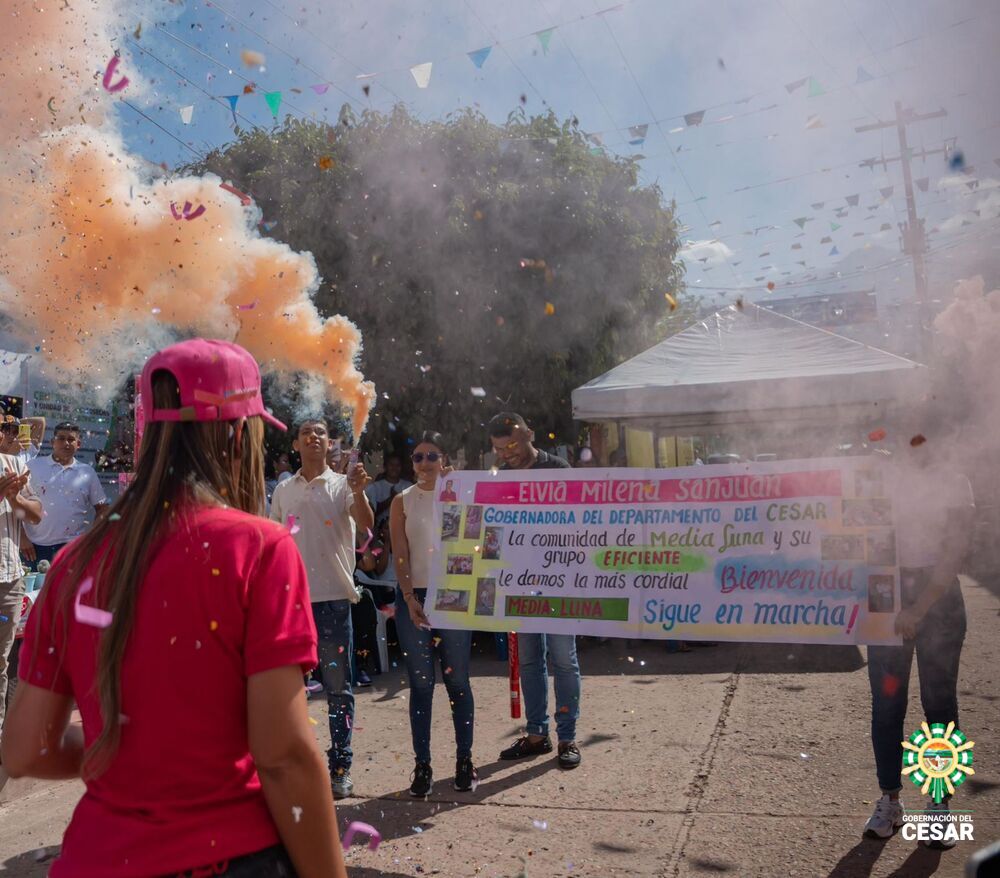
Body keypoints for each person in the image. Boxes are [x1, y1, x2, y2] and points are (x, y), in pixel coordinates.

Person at [1, 338, 347, 877]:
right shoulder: (261, 548)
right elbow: (283, 757)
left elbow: (24, 750)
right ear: (238, 435)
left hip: (95, 860)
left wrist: (125, 740)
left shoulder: (76, 561)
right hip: (226, 859)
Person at [862, 436, 974, 849]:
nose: (914, 445)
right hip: (887, 595)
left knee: (939, 705)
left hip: (938, 599)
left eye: (924, 437)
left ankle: (940, 808)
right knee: (886, 704)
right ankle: (890, 801)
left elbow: (954, 552)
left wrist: (918, 608)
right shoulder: (882, 481)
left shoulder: (955, 482)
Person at [270, 419, 373, 800]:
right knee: (290, 693)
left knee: (338, 692)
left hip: (333, 602)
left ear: (330, 443)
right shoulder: (282, 489)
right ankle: (297, 768)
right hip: (292, 604)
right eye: (306, 433)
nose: (314, 437)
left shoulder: (344, 484)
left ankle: (340, 767)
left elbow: (365, 524)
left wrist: (359, 492)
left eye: (321, 433)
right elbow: (275, 543)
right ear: (296, 443)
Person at [490, 413, 582, 770]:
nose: (507, 453)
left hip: (559, 582)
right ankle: (536, 734)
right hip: (519, 584)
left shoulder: (558, 468)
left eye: (512, 444)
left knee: (563, 659)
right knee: (528, 660)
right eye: (499, 449)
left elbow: (579, 521)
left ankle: (567, 737)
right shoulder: (500, 477)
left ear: (529, 433)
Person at [389, 431, 477, 796]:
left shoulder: (459, 493)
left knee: (457, 682)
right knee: (421, 685)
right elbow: (400, 553)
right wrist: (409, 598)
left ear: (444, 460)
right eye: (418, 457)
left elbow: (474, 541)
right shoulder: (402, 501)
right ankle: (422, 765)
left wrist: (455, 491)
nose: (424, 463)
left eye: (432, 456)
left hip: (454, 594)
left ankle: (464, 760)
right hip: (415, 597)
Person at [0, 433, 42, 739]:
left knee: (1, 661)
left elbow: (36, 515)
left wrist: (14, 498)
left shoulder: (13, 464)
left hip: (9, 583)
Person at [24, 422, 108, 565]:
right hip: (34, 548)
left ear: (78, 444)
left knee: (69, 588)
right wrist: (22, 538)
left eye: (71, 439)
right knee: (37, 588)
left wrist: (93, 537)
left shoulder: (87, 472)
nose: (66, 443)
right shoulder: (33, 466)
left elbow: (102, 508)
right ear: (52, 442)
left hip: (73, 548)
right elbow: (15, 504)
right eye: (61, 438)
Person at [365, 453, 412, 526]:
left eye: (398, 465)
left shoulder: (408, 486)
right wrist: (391, 499)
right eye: (391, 465)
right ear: (385, 467)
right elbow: (372, 513)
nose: (394, 468)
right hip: (381, 530)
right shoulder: (374, 487)